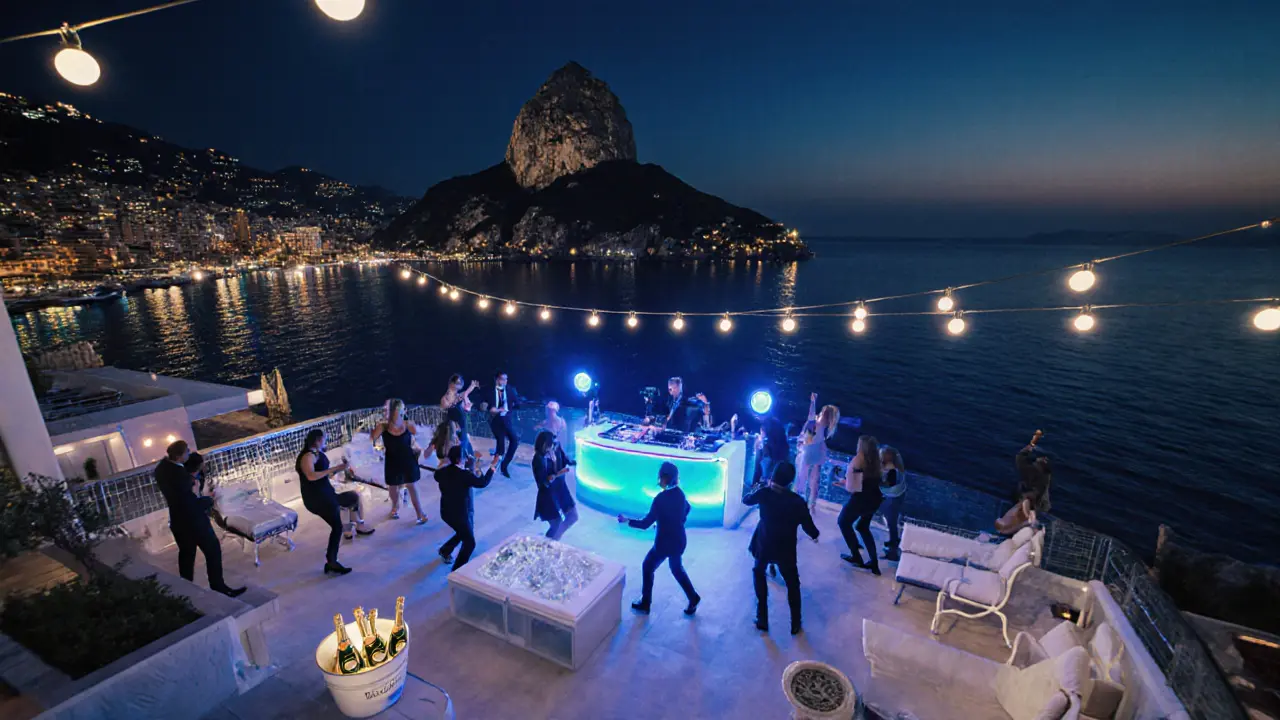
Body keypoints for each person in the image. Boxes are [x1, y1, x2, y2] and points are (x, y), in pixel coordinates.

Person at [155, 440, 245, 597]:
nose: (189, 453)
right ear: (179, 457)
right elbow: (190, 503)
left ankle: (186, 591)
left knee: (186, 556)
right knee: (213, 551)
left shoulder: (161, 469)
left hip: (177, 521)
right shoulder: (182, 477)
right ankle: (218, 586)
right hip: (194, 522)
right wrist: (207, 500)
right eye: (186, 451)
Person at [744, 462, 820, 634]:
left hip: (764, 544)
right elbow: (809, 526)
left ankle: (762, 618)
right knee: (792, 583)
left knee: (758, 572)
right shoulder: (797, 502)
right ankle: (795, 623)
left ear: (773, 475)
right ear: (791, 481)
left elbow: (746, 500)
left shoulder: (764, 493)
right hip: (786, 548)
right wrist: (815, 535)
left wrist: (757, 487)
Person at [617, 462, 701, 615]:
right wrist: (678, 521)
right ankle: (693, 597)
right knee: (676, 569)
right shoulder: (680, 494)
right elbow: (687, 508)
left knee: (648, 566)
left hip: (663, 544)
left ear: (664, 478)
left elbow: (645, 524)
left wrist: (627, 520)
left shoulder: (660, 499)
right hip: (679, 541)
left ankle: (645, 603)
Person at [297, 428, 372, 576]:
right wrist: (335, 468)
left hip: (327, 494)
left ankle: (356, 526)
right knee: (337, 527)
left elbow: (323, 474)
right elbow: (311, 476)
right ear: (317, 440)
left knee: (352, 497)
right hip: (318, 499)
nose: (326, 441)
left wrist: (340, 469)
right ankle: (332, 562)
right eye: (324, 439)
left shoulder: (316, 453)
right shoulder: (308, 456)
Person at [434, 445, 496, 571]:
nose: (467, 459)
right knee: (470, 543)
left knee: (463, 533)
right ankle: (456, 571)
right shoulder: (464, 475)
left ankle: (445, 550)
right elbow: (482, 482)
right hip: (459, 515)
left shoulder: (442, 472)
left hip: (445, 512)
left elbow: (438, 475)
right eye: (465, 457)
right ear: (459, 460)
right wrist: (491, 467)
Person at [371, 398, 428, 524]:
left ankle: (419, 512)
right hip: (392, 461)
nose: (399, 414)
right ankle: (395, 506)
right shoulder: (383, 426)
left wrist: (419, 451)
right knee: (393, 487)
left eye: (401, 411)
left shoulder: (408, 425)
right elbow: (372, 438)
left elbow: (416, 435)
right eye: (396, 411)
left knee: (412, 486)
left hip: (408, 460)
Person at [838, 435, 884, 575]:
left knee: (843, 522)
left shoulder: (859, 461)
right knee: (863, 527)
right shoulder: (876, 462)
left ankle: (856, 557)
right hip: (875, 499)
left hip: (861, 500)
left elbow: (854, 488)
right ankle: (874, 563)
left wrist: (844, 483)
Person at [794, 393, 839, 512]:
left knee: (802, 478)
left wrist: (813, 402)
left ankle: (799, 499)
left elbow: (811, 416)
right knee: (814, 481)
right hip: (816, 452)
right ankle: (811, 504)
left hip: (809, 452)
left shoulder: (815, 424)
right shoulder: (823, 426)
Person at [996, 441, 1051, 534]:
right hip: (1027, 498)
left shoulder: (1032, 472)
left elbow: (1020, 457)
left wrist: (1029, 447)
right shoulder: (1041, 477)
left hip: (1025, 497)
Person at [532, 430, 579, 540]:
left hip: (561, 489)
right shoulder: (538, 459)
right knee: (555, 524)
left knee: (572, 516)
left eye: (553, 444)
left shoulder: (556, 447)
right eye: (550, 445)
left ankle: (554, 540)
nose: (552, 447)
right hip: (548, 495)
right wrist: (550, 478)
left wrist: (571, 462)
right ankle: (550, 542)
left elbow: (564, 458)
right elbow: (542, 482)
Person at [488, 372, 519, 477]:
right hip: (496, 421)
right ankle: (493, 469)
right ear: (497, 380)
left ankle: (504, 465)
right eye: (502, 379)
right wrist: (494, 409)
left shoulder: (510, 390)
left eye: (506, 379)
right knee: (501, 446)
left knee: (514, 440)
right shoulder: (490, 391)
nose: (505, 381)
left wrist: (510, 408)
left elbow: (517, 403)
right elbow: (486, 406)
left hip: (506, 420)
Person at [879, 446, 907, 562]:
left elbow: (886, 484)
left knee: (891, 522)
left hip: (892, 498)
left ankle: (892, 551)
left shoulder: (891, 471)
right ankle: (893, 541)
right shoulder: (898, 467)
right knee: (893, 522)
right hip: (898, 495)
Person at [441, 374, 478, 461]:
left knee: (463, 440)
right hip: (454, 422)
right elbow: (450, 403)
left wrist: (467, 405)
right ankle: (455, 459)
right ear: (451, 383)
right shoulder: (448, 394)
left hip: (461, 421)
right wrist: (469, 389)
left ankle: (463, 457)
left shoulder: (457, 394)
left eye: (460, 382)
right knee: (454, 441)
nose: (460, 384)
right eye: (457, 382)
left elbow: (464, 400)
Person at [752, 413, 790, 486]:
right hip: (779, 489)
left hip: (765, 488)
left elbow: (757, 473)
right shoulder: (785, 450)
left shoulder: (762, 449)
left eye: (762, 431)